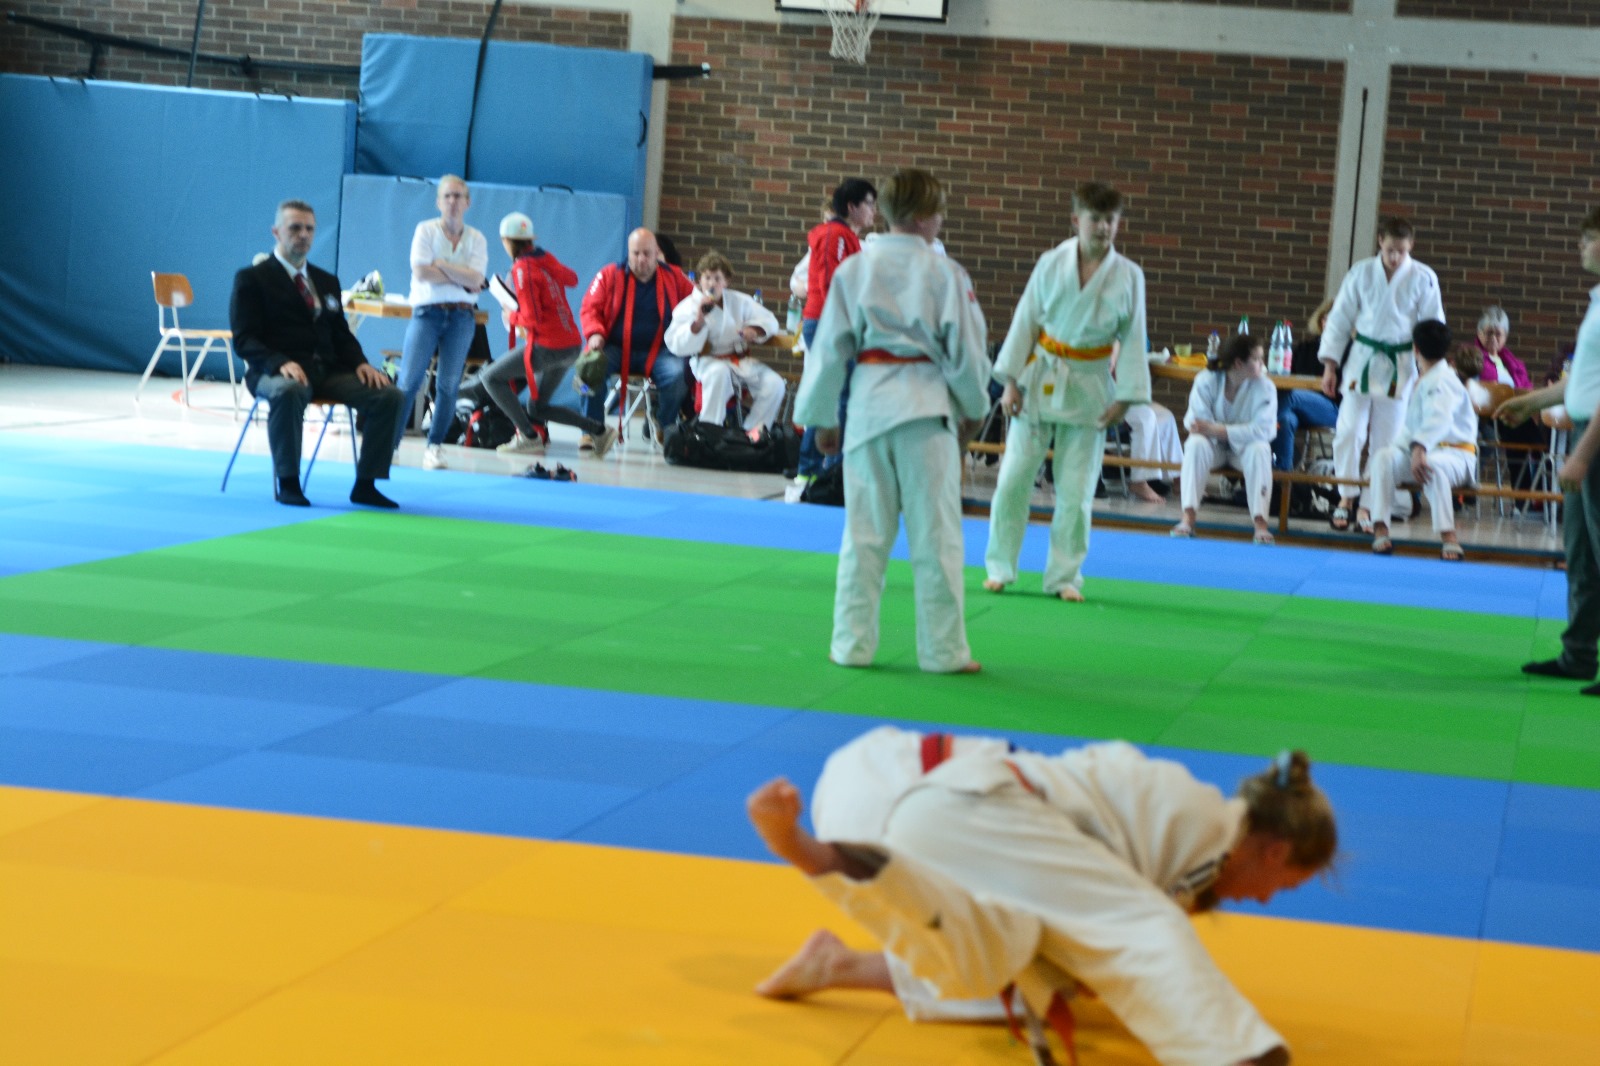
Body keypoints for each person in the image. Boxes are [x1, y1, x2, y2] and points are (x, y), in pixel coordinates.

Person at [747, 725, 1335, 1066]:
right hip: (936, 803)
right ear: (1277, 851)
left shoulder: (1195, 833)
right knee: (1137, 927)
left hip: (919, 823)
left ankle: (831, 879)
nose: (1263, 900)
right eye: (1283, 886)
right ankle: (1240, 1056)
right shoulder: (1199, 817)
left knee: (990, 957)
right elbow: (1125, 925)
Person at [793, 168, 991, 674]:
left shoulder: (855, 269)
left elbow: (829, 348)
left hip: (866, 408)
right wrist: (972, 407)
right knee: (936, 538)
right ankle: (944, 652)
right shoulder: (947, 274)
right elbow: (969, 355)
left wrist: (821, 418)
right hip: (926, 411)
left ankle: (850, 646)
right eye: (940, 212)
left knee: (863, 536)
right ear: (925, 218)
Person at [984, 181, 1151, 602]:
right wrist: (1010, 382)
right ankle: (1000, 567)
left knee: (1076, 493)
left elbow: (1134, 339)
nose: (1104, 228)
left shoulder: (1129, 276)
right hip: (1040, 379)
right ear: (1077, 220)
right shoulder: (1050, 263)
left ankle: (1063, 577)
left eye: (1111, 220)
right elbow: (1025, 322)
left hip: (1092, 383)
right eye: (1095, 219)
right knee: (1012, 482)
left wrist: (1126, 397)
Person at [230, 200, 403, 510]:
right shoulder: (252, 279)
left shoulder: (326, 281)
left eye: (309, 229)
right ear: (276, 232)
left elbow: (341, 334)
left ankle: (367, 484)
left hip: (328, 371)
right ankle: (289, 483)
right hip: (273, 371)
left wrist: (361, 363)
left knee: (389, 394)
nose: (303, 235)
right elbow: (244, 339)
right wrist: (280, 362)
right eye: (295, 228)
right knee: (288, 391)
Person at [1499, 207, 1600, 690]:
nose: (1581, 246)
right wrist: (1531, 401)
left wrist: (1581, 455)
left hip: (1595, 440)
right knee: (1580, 552)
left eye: (1589, 238)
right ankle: (1578, 654)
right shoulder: (1597, 300)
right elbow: (1584, 381)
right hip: (1584, 431)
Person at [1318, 216, 1445, 533]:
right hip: (1362, 360)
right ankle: (1345, 497)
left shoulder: (1424, 277)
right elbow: (1338, 320)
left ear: (1410, 246)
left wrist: (1428, 372)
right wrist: (1330, 366)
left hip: (1401, 364)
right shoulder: (1361, 273)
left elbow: (1432, 326)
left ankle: (1368, 505)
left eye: (1401, 251)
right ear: (1380, 242)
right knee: (1348, 431)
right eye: (1390, 250)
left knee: (1386, 441)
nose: (1395, 257)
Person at [478, 212, 617, 459]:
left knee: (490, 378)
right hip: (571, 345)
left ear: (506, 241)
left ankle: (528, 437)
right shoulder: (544, 258)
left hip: (548, 346)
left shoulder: (522, 270)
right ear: (530, 240)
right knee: (537, 406)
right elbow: (571, 279)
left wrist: (511, 314)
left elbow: (531, 319)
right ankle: (599, 430)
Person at [392, 175, 489, 471]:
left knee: (448, 385)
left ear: (468, 202)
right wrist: (462, 276)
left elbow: (477, 279)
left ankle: (434, 447)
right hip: (427, 313)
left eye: (459, 196)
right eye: (447, 196)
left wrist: (443, 266)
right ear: (438, 202)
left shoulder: (477, 238)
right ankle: (390, 444)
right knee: (409, 380)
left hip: (462, 316)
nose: (453, 202)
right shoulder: (426, 231)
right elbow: (421, 273)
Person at [792, 182, 879, 498]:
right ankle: (814, 469)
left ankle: (827, 468)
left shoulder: (848, 238)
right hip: (829, 322)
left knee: (837, 395)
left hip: (835, 322)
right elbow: (831, 283)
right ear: (853, 206)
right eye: (870, 204)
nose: (874, 211)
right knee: (834, 396)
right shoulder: (835, 236)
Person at [1367, 320, 1478, 560]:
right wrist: (1403, 449)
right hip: (1425, 450)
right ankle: (1380, 528)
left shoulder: (1443, 381)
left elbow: (1441, 420)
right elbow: (1411, 429)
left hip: (1456, 456)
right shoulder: (1426, 379)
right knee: (1383, 458)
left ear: (1415, 348)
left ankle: (1449, 536)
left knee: (1432, 466)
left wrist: (1419, 448)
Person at [578, 228, 696, 443]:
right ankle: (591, 431)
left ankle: (663, 424)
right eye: (636, 253)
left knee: (679, 375)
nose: (641, 258)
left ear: (656, 253)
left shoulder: (674, 276)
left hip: (661, 350)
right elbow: (589, 308)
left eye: (647, 253)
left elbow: (697, 301)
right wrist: (595, 333)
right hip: (615, 348)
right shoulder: (608, 275)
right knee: (589, 369)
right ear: (628, 252)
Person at [1172, 332, 1277, 544]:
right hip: (1214, 449)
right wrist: (1215, 432)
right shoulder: (1206, 380)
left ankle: (1260, 523)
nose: (1262, 364)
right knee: (1195, 444)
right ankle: (1188, 517)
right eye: (1256, 359)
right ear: (1239, 363)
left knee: (1261, 448)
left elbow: (1264, 430)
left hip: (1245, 450)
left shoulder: (1265, 386)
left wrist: (1218, 430)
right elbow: (1195, 423)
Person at [664, 251, 786, 434]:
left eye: (717, 278)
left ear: (726, 281)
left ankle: (752, 435)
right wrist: (698, 322)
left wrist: (754, 330)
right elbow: (674, 342)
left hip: (739, 360)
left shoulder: (739, 301)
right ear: (699, 281)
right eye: (707, 278)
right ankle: (710, 433)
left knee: (775, 384)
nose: (712, 283)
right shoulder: (689, 306)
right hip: (708, 361)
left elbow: (770, 321)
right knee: (718, 374)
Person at [1272, 297, 1342, 473]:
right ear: (1321, 321)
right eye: (1327, 319)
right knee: (1285, 420)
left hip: (1333, 408)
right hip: (1294, 407)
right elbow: (1287, 377)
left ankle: (1257, 436)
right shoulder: (1305, 348)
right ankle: (1282, 478)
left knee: (1288, 396)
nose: (1331, 323)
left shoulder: (1349, 350)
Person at [1122, 402, 1182, 501]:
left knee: (1165, 415)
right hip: (1109, 398)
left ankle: (1177, 477)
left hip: (1131, 397)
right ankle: (1139, 481)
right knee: (1146, 416)